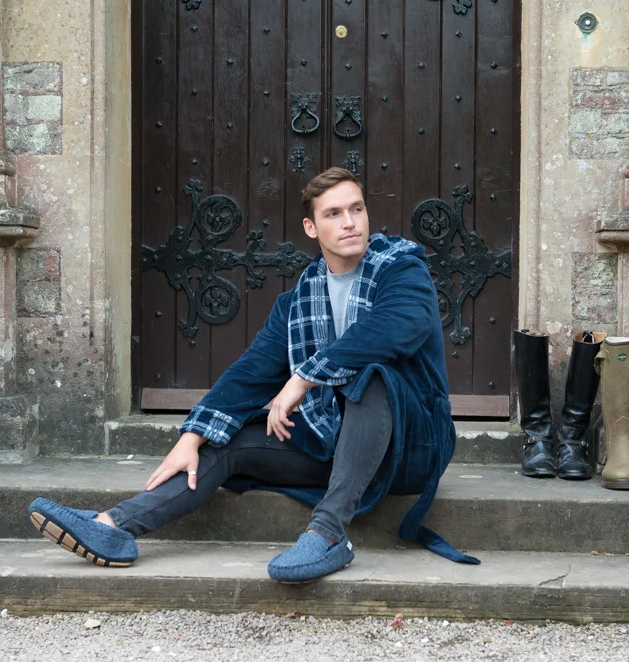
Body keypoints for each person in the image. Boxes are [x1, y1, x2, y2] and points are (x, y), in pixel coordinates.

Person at [27, 167, 479, 583]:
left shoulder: (403, 269)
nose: (350, 223)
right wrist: (193, 434)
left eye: (356, 209)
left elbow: (393, 330)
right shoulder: (297, 302)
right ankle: (113, 526)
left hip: (411, 448)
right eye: (334, 214)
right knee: (231, 439)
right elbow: (251, 371)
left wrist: (303, 377)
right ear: (311, 228)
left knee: (374, 374)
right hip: (336, 444)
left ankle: (328, 534)